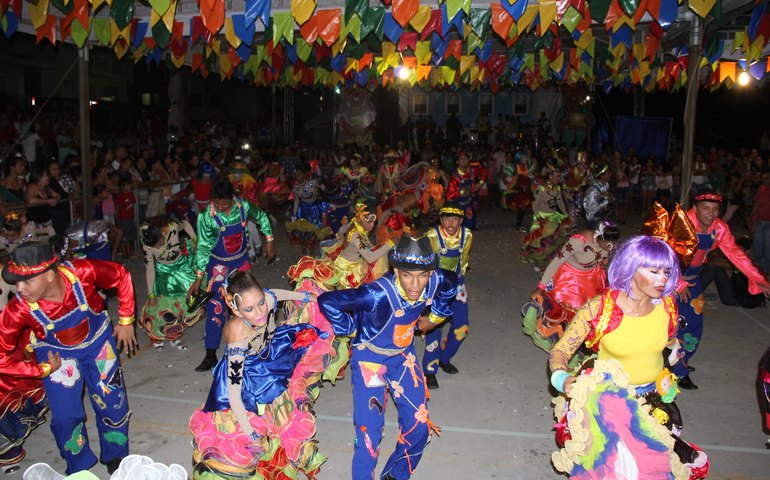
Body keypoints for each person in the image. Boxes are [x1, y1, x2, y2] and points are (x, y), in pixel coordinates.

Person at [548, 236, 708, 479]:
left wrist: (671, 364)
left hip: (652, 403)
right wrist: (563, 380)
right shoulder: (600, 310)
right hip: (608, 407)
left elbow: (665, 343)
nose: (662, 278)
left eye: (666, 271)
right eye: (653, 271)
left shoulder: (667, 307)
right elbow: (560, 351)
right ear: (631, 269)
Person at [318, 236, 457, 480]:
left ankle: (396, 475)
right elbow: (327, 301)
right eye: (407, 275)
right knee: (368, 437)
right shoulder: (377, 294)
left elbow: (452, 283)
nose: (415, 284)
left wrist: (434, 318)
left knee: (419, 428)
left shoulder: (436, 281)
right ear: (395, 270)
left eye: (422, 275)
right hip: (370, 362)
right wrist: (350, 329)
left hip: (403, 358)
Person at [0, 241, 137, 475]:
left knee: (113, 403)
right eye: (17, 281)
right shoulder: (18, 309)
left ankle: (115, 456)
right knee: (65, 417)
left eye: (27, 281)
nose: (19, 288)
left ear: (50, 275)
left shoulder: (82, 272)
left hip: (99, 345)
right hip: (57, 358)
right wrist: (40, 370)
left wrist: (126, 320)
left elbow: (121, 275)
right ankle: (79, 465)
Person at [189, 271, 334, 479]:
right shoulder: (236, 331)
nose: (259, 313)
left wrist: (313, 299)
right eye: (249, 309)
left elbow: (282, 295)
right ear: (235, 310)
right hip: (242, 379)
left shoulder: (264, 300)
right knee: (241, 448)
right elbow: (234, 393)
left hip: (268, 360)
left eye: (260, 303)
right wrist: (251, 434)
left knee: (312, 334)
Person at [674, 189, 770, 389]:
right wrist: (678, 283)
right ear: (696, 209)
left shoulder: (719, 228)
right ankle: (674, 368)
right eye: (706, 209)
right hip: (669, 280)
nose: (711, 214)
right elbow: (665, 257)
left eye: (715, 209)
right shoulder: (683, 224)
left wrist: (757, 278)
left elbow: (736, 254)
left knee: (693, 325)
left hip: (692, 280)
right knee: (668, 325)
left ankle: (679, 364)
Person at [189, 179, 276, 372]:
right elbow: (202, 247)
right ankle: (211, 353)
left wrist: (269, 239)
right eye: (216, 203)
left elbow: (261, 216)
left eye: (224, 204)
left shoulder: (243, 206)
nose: (220, 207)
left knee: (245, 305)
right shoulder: (205, 216)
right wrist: (198, 277)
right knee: (216, 308)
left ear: (232, 198)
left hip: (240, 262)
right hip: (217, 265)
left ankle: (251, 349)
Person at [522, 222, 620, 353]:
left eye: (614, 245)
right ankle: (547, 330)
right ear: (600, 237)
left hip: (591, 279)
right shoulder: (578, 241)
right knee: (562, 311)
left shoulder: (607, 245)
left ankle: (570, 347)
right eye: (609, 245)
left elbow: (603, 263)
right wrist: (541, 286)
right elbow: (556, 261)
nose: (611, 248)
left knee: (593, 311)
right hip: (568, 278)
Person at [422, 201, 473, 389]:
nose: (450, 224)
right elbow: (426, 265)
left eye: (454, 219)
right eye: (446, 219)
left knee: (462, 327)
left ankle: (444, 358)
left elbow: (465, 261)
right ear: (441, 219)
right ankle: (429, 370)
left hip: (457, 283)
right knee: (434, 327)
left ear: (460, 220)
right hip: (436, 285)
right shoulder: (432, 236)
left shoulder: (467, 235)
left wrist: (459, 285)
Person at [139, 215, 205, 350]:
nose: (157, 247)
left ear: (160, 233)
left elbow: (185, 224)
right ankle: (164, 336)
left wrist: (195, 240)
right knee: (165, 308)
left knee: (187, 303)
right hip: (164, 275)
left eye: (158, 243)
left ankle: (174, 336)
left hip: (182, 270)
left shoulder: (172, 228)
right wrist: (151, 294)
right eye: (154, 246)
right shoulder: (147, 243)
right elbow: (150, 269)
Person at [520, 165, 569, 271]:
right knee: (540, 243)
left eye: (559, 176)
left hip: (554, 217)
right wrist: (538, 218)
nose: (558, 179)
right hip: (542, 218)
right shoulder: (541, 189)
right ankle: (539, 263)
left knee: (553, 242)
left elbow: (560, 202)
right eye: (557, 176)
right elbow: (534, 205)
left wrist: (566, 215)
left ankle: (550, 261)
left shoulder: (558, 188)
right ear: (550, 177)